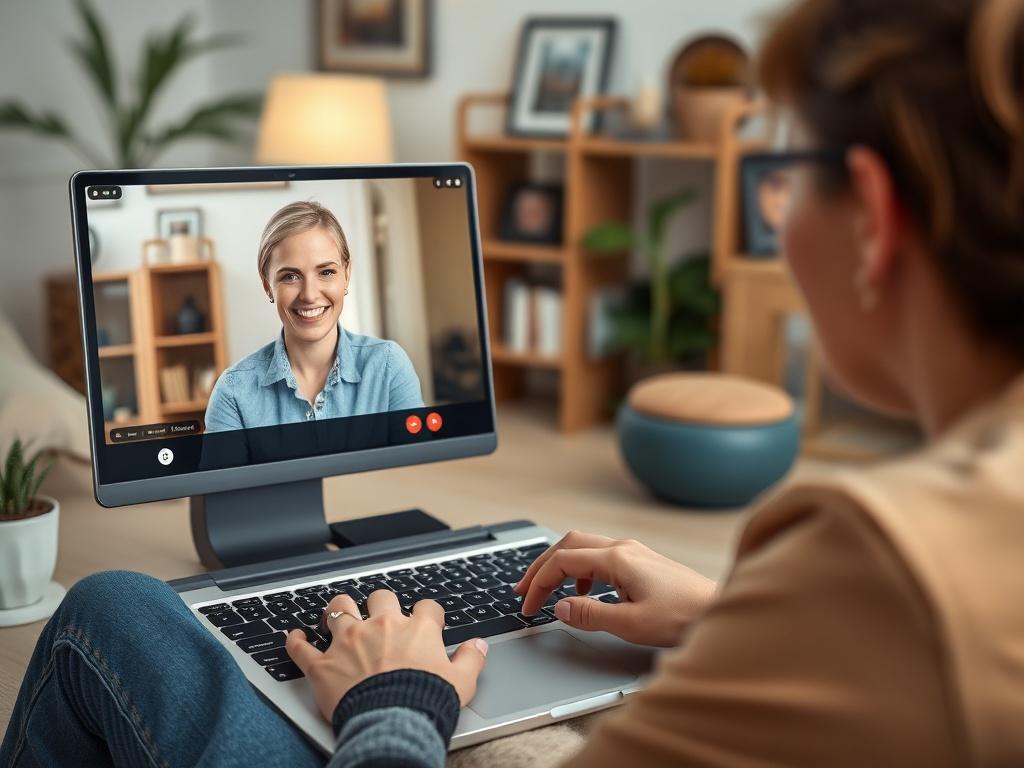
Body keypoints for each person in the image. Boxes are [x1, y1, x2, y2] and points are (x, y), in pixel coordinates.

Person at [4, 0, 1024, 764]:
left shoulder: (875, 559)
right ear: (268, 289)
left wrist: (396, 698)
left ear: (875, 221)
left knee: (114, 608)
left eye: (788, 169)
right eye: (289, 276)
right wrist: (722, 618)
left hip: (392, 697)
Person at [204, 201, 424, 433]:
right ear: (267, 285)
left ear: (346, 273)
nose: (309, 295)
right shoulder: (233, 392)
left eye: (326, 272)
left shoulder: (388, 366)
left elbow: (417, 467)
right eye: (290, 276)